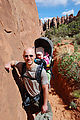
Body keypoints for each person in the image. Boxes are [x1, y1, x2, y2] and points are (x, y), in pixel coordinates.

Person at [5, 47, 53, 120]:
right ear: (23, 57)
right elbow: (13, 62)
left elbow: (45, 88)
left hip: (39, 99)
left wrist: (45, 104)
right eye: (26, 56)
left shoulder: (40, 71)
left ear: (34, 56)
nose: (28, 58)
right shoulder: (22, 66)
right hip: (29, 100)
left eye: (31, 56)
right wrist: (8, 64)